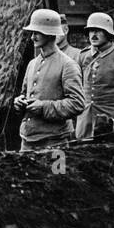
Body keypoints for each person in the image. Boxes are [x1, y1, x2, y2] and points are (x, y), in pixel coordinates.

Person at [13, 9, 86, 151]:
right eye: (32, 33)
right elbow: (25, 94)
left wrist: (43, 107)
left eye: (37, 32)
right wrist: (19, 102)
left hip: (54, 142)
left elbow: (77, 103)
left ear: (50, 33)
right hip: (27, 141)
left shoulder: (68, 65)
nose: (33, 37)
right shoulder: (32, 64)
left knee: (56, 173)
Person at [74, 11, 114, 139]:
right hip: (85, 124)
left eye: (98, 30)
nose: (94, 35)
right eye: (91, 31)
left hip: (113, 124)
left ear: (108, 33)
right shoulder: (83, 56)